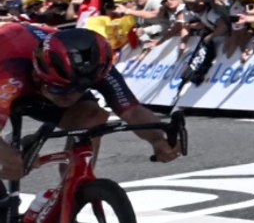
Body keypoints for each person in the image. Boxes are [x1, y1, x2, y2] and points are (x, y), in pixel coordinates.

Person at [0, 25, 178, 179]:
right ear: (38, 73)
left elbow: (131, 111)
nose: (70, 97)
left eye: (80, 89)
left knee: (92, 118)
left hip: (40, 83)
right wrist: (8, 156)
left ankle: (73, 190)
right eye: (60, 88)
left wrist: (157, 139)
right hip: (13, 76)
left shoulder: (96, 67)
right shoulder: (12, 71)